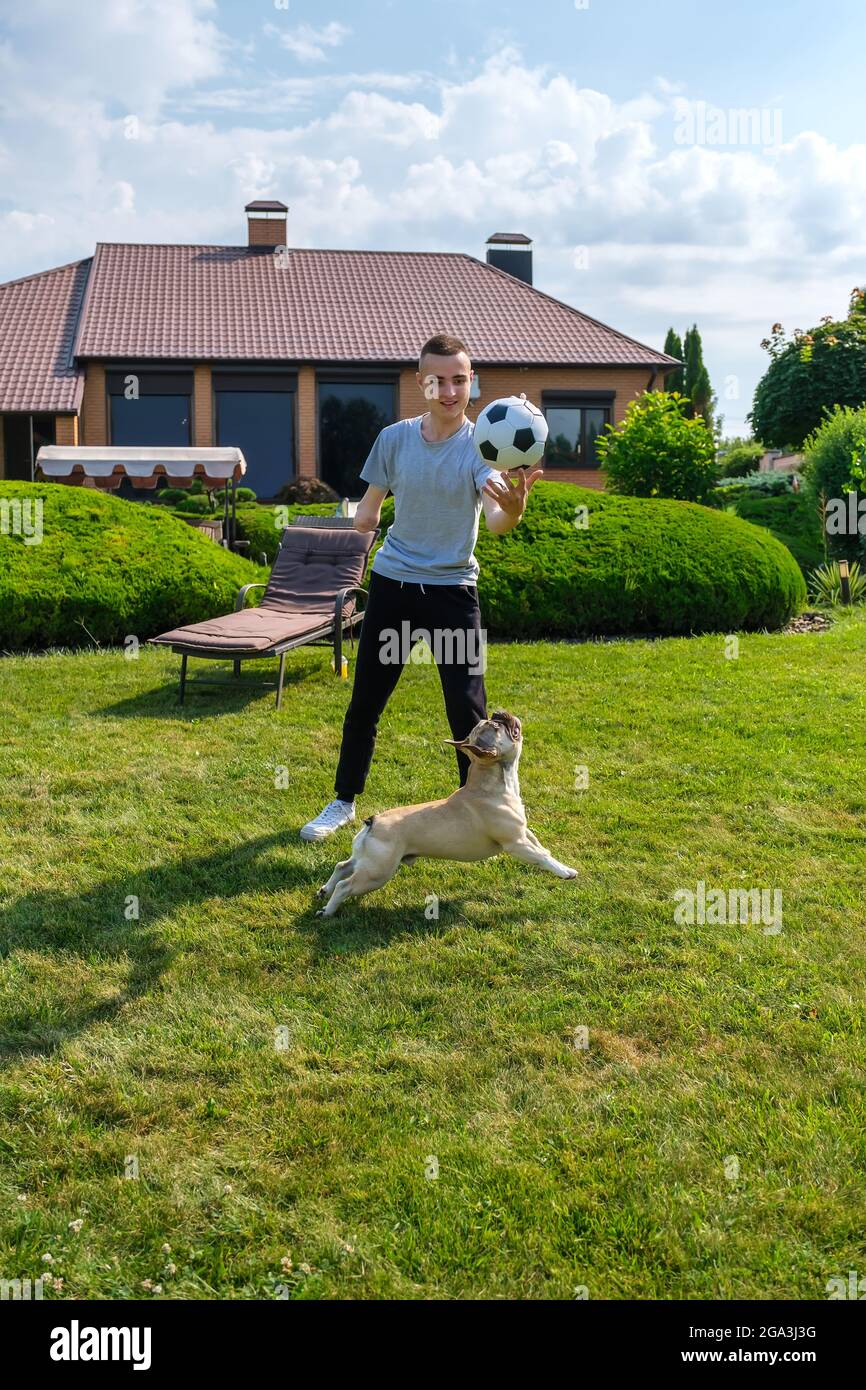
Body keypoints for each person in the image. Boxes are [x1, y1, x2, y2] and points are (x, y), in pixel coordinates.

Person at [300, 332, 542, 841]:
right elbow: (369, 509)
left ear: (471, 382)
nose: (450, 390)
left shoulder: (483, 446)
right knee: (367, 698)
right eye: (440, 380)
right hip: (394, 586)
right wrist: (366, 519)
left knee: (468, 710)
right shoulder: (393, 438)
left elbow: (495, 518)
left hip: (453, 592)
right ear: (421, 383)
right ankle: (342, 801)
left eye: (460, 379)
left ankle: (481, 810)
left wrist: (514, 508)